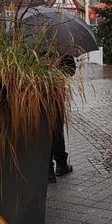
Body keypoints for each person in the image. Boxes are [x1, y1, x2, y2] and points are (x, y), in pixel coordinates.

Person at [48, 54, 76, 182]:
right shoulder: (61, 45)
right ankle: (60, 165)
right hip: (56, 94)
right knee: (56, 129)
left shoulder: (30, 44)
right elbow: (71, 70)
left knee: (43, 130)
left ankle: (47, 170)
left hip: (33, 94)